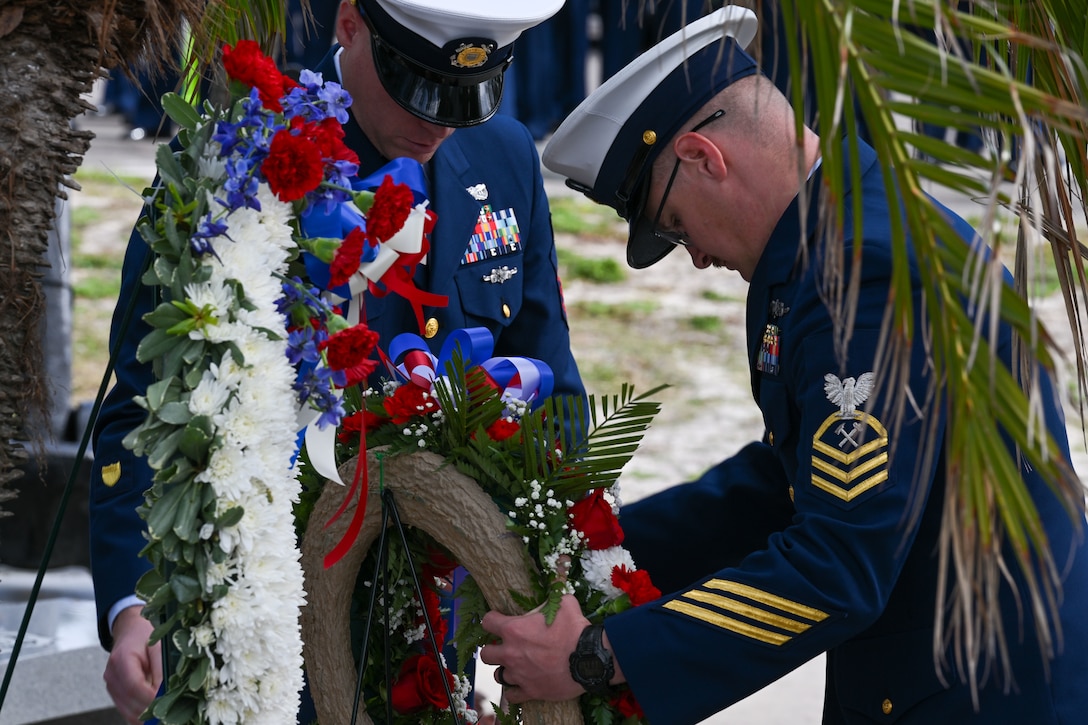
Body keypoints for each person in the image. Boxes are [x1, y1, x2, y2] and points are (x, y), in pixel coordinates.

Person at [479, 6, 1088, 724]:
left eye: (674, 226)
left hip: (988, 695)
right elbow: (787, 482)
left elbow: (838, 564)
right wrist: (598, 547)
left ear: (706, 156)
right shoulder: (821, 243)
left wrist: (599, 655)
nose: (696, 254)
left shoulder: (863, 274)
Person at [88, 0, 582, 722]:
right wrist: (137, 602)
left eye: (464, 96)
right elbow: (142, 401)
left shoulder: (502, 154)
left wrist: (561, 572)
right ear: (350, 22)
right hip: (255, 620)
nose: (439, 122)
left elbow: (549, 391)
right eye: (417, 83)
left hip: (426, 629)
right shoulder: (238, 156)